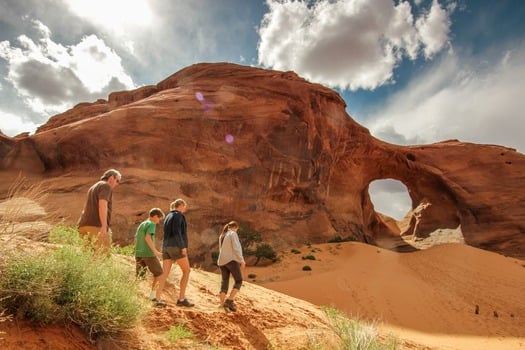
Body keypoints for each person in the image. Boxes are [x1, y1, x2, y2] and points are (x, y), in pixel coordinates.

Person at [155, 198, 194, 307]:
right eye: (184, 206)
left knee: (164, 273)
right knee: (186, 270)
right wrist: (182, 246)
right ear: (181, 205)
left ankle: (157, 297)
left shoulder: (168, 216)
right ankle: (181, 299)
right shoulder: (178, 215)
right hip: (176, 247)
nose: (185, 209)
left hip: (166, 247)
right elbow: (177, 231)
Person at [78, 169, 121, 255]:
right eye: (117, 181)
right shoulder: (106, 186)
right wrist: (104, 226)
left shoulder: (93, 187)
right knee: (103, 257)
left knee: (88, 258)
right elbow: (102, 204)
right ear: (111, 177)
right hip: (96, 226)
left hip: (84, 226)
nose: (117, 184)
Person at [135, 208, 165, 301]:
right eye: (159, 218)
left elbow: (136, 239)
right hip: (148, 254)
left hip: (139, 253)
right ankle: (153, 297)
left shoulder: (142, 224)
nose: (158, 221)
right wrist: (155, 252)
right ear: (155, 216)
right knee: (159, 274)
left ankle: (133, 295)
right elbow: (148, 238)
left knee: (139, 277)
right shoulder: (151, 224)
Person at [217, 221, 245, 312]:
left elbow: (221, 250)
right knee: (239, 280)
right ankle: (230, 300)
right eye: (237, 229)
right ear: (235, 227)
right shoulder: (233, 234)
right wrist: (241, 260)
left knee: (224, 281)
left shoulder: (222, 235)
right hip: (231, 260)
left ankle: (222, 305)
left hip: (222, 261)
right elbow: (236, 248)